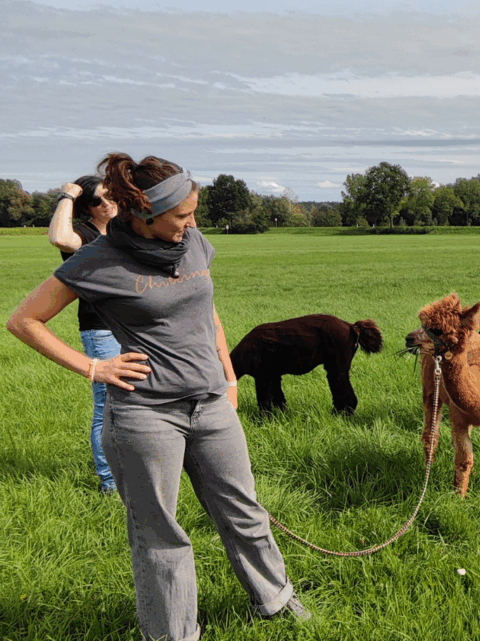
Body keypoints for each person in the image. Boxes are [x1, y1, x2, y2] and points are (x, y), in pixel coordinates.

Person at [7, 154, 307, 640]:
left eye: (194, 214)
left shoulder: (192, 243)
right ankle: (173, 634)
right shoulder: (97, 260)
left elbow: (208, 314)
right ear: (144, 215)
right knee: (159, 534)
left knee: (244, 511)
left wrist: (229, 380)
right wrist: (94, 367)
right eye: (182, 216)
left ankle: (274, 601)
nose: (192, 224)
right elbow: (23, 320)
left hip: (210, 404)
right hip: (145, 415)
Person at [48, 175, 121, 494]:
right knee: (107, 406)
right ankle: (109, 483)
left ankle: (135, 470)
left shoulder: (124, 231)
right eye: (96, 200)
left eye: (110, 196)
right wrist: (67, 195)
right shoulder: (84, 235)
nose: (106, 204)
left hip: (134, 327)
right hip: (101, 329)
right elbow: (59, 238)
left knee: (136, 401)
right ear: (85, 208)